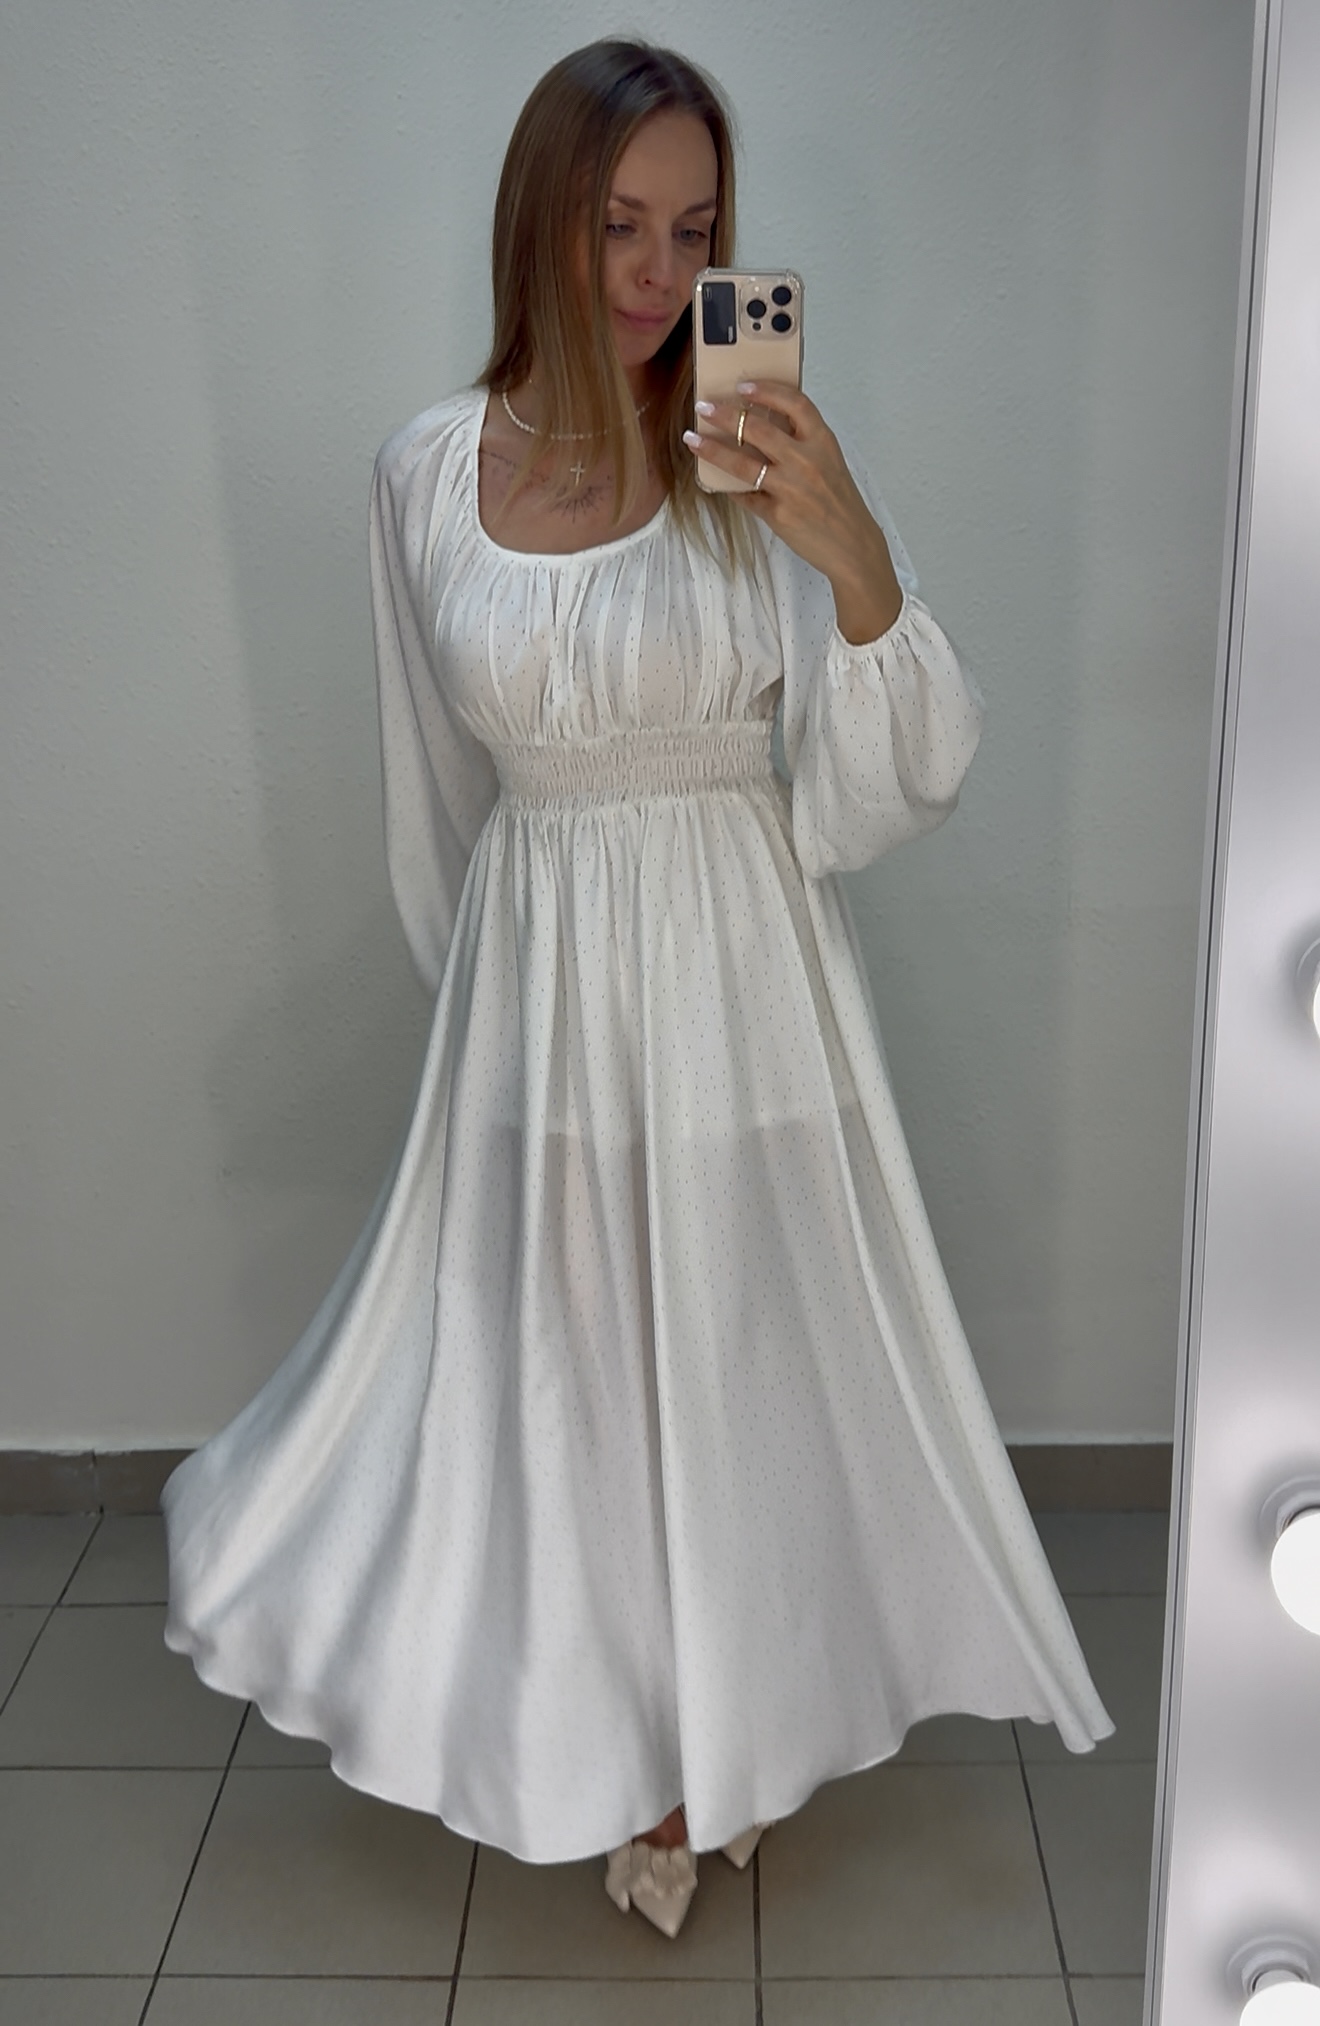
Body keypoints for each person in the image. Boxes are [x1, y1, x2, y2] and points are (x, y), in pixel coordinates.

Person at [162, 38, 1112, 1942]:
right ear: (541, 215)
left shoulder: (753, 458)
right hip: (539, 994)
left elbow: (879, 790)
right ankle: (620, 1735)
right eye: (618, 224)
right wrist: (490, 1028)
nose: (661, 274)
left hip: (744, 982)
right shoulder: (424, 475)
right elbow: (438, 798)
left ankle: (723, 1743)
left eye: (695, 229)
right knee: (576, 1390)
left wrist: (854, 559)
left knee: (738, 1379)